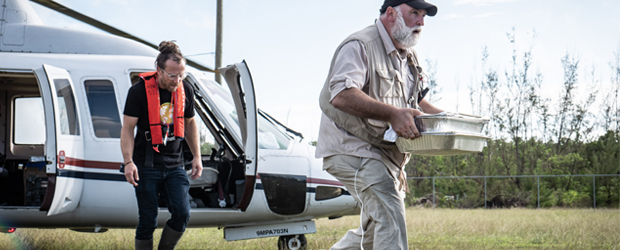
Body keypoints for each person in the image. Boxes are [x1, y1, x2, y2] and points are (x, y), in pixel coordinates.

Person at [316, 0, 443, 249]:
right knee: (390, 216)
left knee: (376, 227)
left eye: (424, 16)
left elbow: (416, 101)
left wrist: (449, 119)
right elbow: (341, 93)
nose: (421, 22)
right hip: (352, 149)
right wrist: (393, 114)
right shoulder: (360, 45)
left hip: (385, 155)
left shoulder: (408, 55)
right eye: (414, 13)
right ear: (391, 13)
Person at [120, 41, 203, 250]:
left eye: (181, 75)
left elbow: (191, 123)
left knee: (182, 213)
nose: (177, 80)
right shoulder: (138, 92)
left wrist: (197, 156)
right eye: (172, 75)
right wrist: (128, 162)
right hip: (146, 164)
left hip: (175, 164)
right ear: (159, 70)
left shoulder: (186, 90)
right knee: (148, 220)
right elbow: (128, 129)